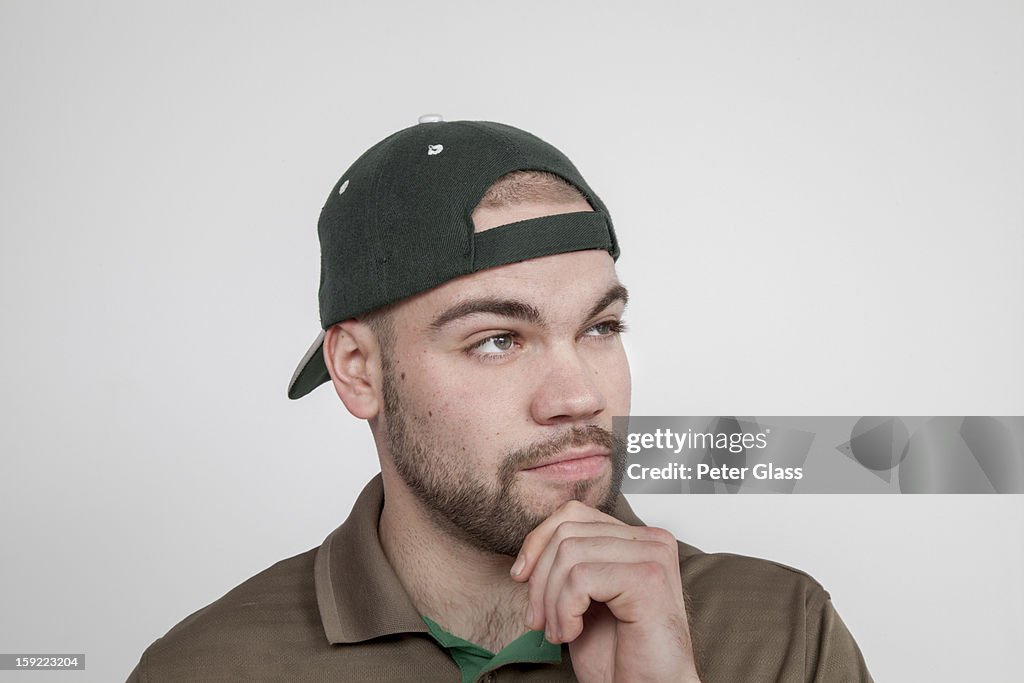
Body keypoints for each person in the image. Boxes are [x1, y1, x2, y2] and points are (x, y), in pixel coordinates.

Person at [127, 116, 873, 682]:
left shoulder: (782, 632)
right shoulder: (208, 666)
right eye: (497, 340)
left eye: (601, 326)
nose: (579, 395)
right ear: (358, 369)